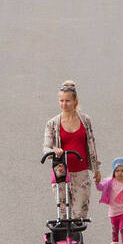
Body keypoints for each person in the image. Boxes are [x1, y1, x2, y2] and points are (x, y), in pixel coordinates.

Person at [42, 80, 100, 220]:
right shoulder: (52, 124)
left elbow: (92, 144)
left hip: (81, 172)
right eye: (61, 101)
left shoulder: (85, 120)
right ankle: (64, 232)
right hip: (61, 172)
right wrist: (54, 150)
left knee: (80, 214)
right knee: (63, 213)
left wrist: (96, 169)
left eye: (67, 101)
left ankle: (75, 234)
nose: (64, 104)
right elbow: (46, 148)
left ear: (75, 101)